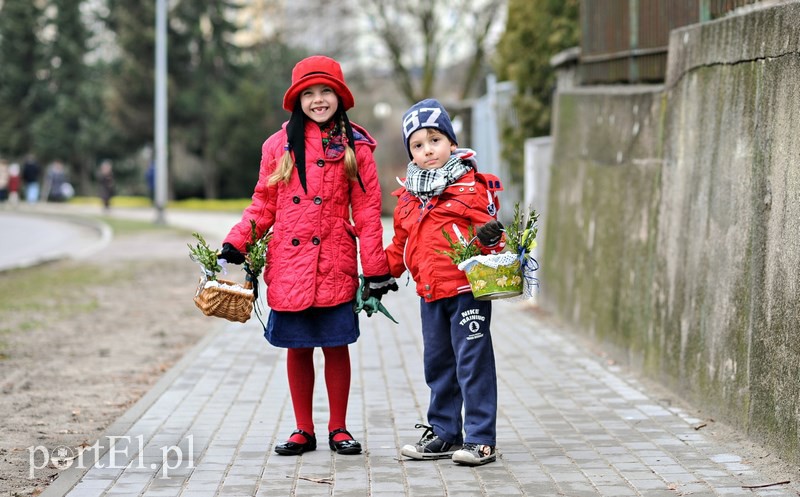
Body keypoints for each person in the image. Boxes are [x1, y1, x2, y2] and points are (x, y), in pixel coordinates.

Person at [218, 55, 397, 457]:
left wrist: (377, 269)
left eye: (326, 91)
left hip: (335, 262)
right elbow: (263, 205)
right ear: (298, 98)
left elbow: (368, 213)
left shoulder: (356, 146)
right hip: (290, 264)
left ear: (339, 96)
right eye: (309, 93)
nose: (318, 100)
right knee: (297, 347)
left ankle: (339, 428)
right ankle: (303, 428)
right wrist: (237, 243)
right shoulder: (277, 146)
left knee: (336, 346)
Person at [385, 98, 506, 466]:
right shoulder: (409, 197)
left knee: (472, 362)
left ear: (452, 143)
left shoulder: (472, 188)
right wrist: (377, 273)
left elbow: (495, 240)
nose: (428, 150)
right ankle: (445, 433)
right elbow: (401, 244)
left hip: (467, 290)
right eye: (418, 145)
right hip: (429, 293)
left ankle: (481, 439)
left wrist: (490, 240)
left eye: (435, 140)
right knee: (437, 363)